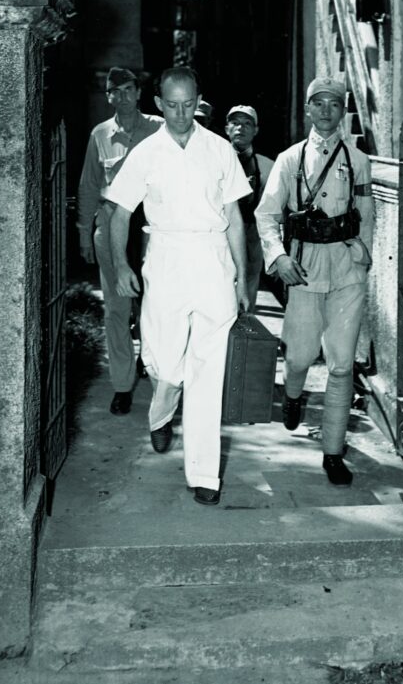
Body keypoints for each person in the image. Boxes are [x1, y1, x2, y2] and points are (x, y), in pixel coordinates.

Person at [107, 67, 251, 506]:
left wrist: (242, 276)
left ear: (199, 100)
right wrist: (120, 266)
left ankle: (205, 476)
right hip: (165, 259)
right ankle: (161, 412)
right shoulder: (146, 152)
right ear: (159, 104)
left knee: (208, 373)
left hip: (212, 260)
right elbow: (119, 215)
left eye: (189, 104)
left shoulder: (220, 149)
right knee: (167, 368)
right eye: (172, 105)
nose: (181, 113)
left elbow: (234, 218)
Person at [254, 76, 375, 486]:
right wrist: (278, 256)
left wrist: (363, 256)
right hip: (303, 270)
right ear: (308, 109)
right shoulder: (289, 160)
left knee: (341, 366)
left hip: (345, 269)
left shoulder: (357, 160)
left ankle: (334, 453)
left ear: (342, 111)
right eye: (318, 103)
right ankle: (291, 395)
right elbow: (266, 215)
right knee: (301, 357)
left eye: (334, 104)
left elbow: (366, 211)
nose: (326, 111)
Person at [76, 67, 162, 415]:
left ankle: (155, 370)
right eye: (116, 91)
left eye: (129, 89)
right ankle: (122, 384)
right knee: (116, 310)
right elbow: (87, 186)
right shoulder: (100, 134)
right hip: (110, 229)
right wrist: (84, 232)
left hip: (153, 229)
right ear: (108, 96)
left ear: (138, 92)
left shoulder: (158, 128)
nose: (123, 96)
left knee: (155, 308)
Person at [224, 105, 275, 311]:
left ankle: (244, 332)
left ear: (256, 130)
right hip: (220, 231)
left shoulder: (268, 167)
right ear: (227, 128)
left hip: (251, 233)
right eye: (235, 122)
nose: (240, 128)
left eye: (247, 124)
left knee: (249, 284)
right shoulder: (214, 161)